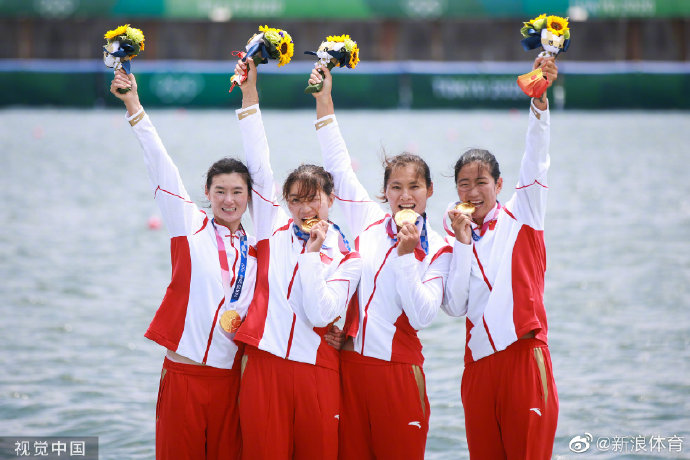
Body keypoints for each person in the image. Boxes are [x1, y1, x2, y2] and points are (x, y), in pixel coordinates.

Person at [110, 70, 257, 460]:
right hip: (184, 376)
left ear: (249, 198)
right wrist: (133, 105)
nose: (228, 200)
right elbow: (159, 162)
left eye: (237, 192)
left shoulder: (259, 249)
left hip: (231, 380)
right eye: (220, 191)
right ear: (206, 194)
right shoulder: (188, 225)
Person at [308, 65, 453, 460]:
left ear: (429, 191)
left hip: (399, 374)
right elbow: (336, 160)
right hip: (350, 367)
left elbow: (423, 316)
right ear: (384, 192)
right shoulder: (368, 220)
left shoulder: (440, 248)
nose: (405, 197)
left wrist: (407, 260)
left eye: (414, 187)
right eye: (396, 188)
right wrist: (324, 99)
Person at [231, 59, 361, 460]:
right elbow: (257, 161)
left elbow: (321, 315)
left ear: (331, 199)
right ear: (284, 202)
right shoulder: (270, 225)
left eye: (313, 198)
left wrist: (311, 254)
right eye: (296, 199)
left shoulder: (348, 258)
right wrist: (249, 92)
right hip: (264, 365)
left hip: (317, 371)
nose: (305, 208)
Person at [443, 56, 560, 459]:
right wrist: (460, 243)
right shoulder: (455, 234)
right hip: (476, 367)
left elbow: (537, 157)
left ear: (500, 184)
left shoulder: (523, 212)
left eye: (481, 182)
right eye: (464, 184)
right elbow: (455, 306)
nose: (473, 192)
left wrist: (539, 106)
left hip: (524, 359)